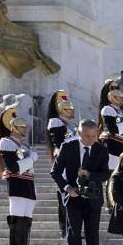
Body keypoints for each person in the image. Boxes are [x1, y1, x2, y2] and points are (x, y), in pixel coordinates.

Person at [50, 119, 109, 245]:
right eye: (87, 136)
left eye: (94, 136)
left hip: (93, 198)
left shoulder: (102, 150)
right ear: (79, 134)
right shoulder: (67, 147)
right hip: (73, 198)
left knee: (92, 234)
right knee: (73, 234)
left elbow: (105, 173)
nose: (91, 139)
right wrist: (68, 188)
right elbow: (55, 172)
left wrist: (90, 175)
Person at [0, 106, 40, 245]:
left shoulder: (24, 145)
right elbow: (13, 167)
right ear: (13, 128)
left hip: (28, 185)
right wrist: (31, 159)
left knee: (26, 223)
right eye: (22, 126)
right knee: (16, 222)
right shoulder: (7, 142)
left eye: (25, 126)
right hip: (16, 185)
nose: (25, 129)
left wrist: (30, 159)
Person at [46, 90, 77, 235]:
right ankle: (64, 228)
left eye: (71, 109)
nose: (71, 111)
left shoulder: (71, 124)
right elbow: (58, 143)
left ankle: (73, 226)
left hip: (74, 161)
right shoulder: (56, 121)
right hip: (63, 161)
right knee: (64, 193)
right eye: (67, 109)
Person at [99, 78, 123, 173]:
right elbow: (113, 130)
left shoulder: (119, 111)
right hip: (112, 144)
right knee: (112, 172)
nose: (116, 90)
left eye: (116, 88)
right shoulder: (107, 109)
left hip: (121, 143)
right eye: (112, 88)